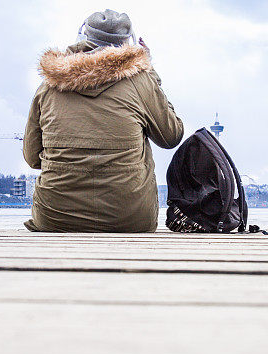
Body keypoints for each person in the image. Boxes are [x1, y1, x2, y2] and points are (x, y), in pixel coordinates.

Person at [23, 9, 184, 232]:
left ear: (83, 36)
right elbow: (171, 136)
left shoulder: (49, 85)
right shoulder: (140, 81)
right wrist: (150, 72)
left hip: (55, 216)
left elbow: (32, 158)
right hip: (129, 218)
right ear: (128, 42)